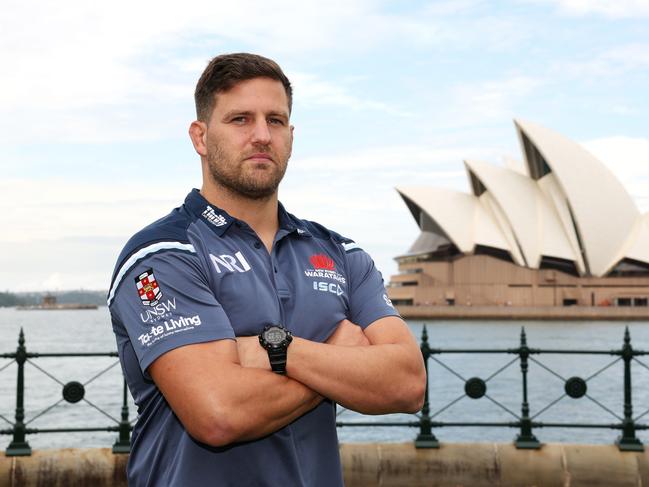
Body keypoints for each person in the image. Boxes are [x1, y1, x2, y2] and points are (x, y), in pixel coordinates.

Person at [107, 52, 426, 487]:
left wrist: (276, 350)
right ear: (200, 137)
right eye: (240, 119)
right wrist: (342, 361)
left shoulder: (341, 254)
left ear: (291, 135)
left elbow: (408, 383)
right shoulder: (163, 254)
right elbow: (218, 412)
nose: (261, 135)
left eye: (275, 120)